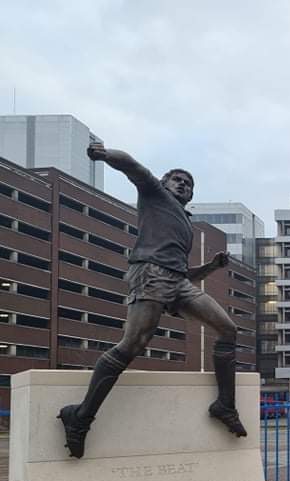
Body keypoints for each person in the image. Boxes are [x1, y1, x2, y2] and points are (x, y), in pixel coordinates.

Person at [57, 141, 247, 458]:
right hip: (150, 274)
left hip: (177, 281)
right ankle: (81, 417)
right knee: (132, 345)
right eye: (178, 180)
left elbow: (185, 274)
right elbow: (133, 167)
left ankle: (224, 405)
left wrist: (212, 267)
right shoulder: (155, 195)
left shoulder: (184, 221)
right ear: (164, 183)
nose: (184, 185)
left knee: (228, 330)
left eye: (189, 184)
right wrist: (105, 155)